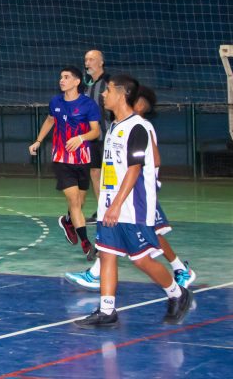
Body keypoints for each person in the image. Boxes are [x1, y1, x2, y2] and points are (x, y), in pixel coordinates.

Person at [75, 75, 192, 328]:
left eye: (107, 90)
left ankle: (177, 293)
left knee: (140, 260)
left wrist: (116, 204)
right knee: (107, 254)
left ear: (122, 93)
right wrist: (106, 203)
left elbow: (134, 170)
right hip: (111, 204)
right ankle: (107, 311)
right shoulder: (115, 126)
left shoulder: (137, 127)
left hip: (133, 207)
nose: (103, 94)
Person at [29, 66, 101, 260]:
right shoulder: (55, 102)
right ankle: (87, 245)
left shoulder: (88, 104)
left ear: (77, 82)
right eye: (61, 77)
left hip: (82, 159)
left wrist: (81, 138)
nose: (62, 80)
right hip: (61, 159)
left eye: (66, 77)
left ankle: (68, 221)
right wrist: (38, 140)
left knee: (81, 200)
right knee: (74, 201)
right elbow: (50, 121)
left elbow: (95, 131)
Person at [83, 50, 110, 211]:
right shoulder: (86, 85)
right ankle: (102, 209)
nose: (87, 63)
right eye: (86, 60)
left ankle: (113, 207)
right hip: (92, 136)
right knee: (94, 171)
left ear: (101, 62)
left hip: (108, 135)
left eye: (92, 59)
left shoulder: (109, 82)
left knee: (110, 174)